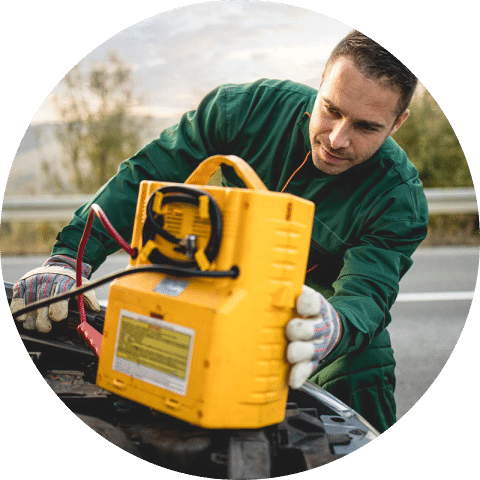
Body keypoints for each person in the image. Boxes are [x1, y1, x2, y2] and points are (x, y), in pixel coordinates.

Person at [10, 30, 428, 433]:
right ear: (319, 85)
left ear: (397, 123)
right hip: (213, 275)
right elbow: (147, 175)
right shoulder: (246, 110)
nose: (337, 138)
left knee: (363, 362)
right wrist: (69, 259)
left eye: (365, 127)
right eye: (331, 109)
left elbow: (368, 293)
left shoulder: (398, 197)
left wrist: (334, 327)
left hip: (306, 308)